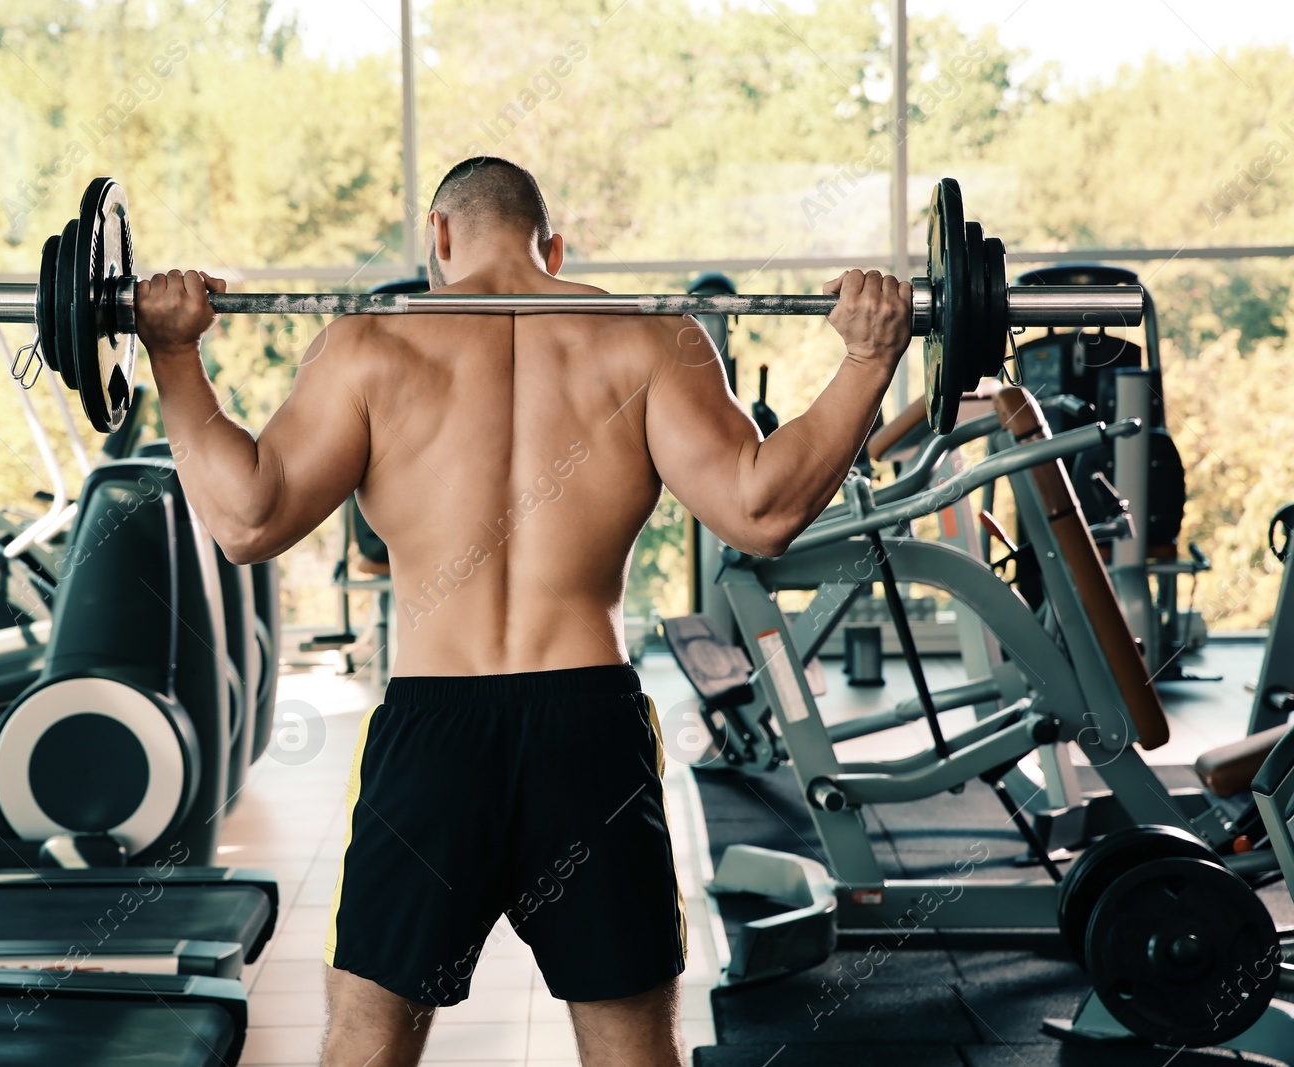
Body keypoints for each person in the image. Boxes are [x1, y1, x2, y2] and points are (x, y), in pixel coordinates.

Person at [135, 157, 912, 1067]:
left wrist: (173, 353)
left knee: (366, 1039)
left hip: (434, 734)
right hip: (587, 731)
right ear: (554, 247)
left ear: (439, 237)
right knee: (631, 1048)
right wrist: (868, 360)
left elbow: (247, 518)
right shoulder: (651, 339)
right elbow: (763, 510)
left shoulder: (369, 347)